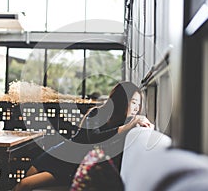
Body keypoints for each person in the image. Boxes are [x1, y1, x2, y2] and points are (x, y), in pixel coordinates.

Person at [13, 81, 154, 191]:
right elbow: (93, 137)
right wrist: (127, 127)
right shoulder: (97, 113)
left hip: (72, 166)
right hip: (58, 153)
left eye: (139, 104)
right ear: (122, 100)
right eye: (133, 102)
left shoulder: (129, 126)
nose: (136, 108)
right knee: (25, 179)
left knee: (25, 185)